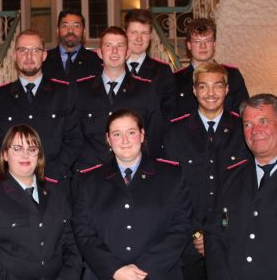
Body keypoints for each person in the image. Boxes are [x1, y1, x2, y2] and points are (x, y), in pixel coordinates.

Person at [72, 109, 192, 280]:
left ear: (142, 135)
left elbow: (182, 226)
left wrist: (143, 269)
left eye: (131, 132)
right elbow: (83, 231)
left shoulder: (171, 175)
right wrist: (115, 270)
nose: (125, 140)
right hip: (105, 275)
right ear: (108, 139)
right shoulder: (88, 180)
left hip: (158, 274)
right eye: (117, 134)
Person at [206, 94, 277, 280]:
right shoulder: (232, 177)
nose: (255, 130)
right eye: (247, 124)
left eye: (264, 121)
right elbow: (215, 235)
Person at [161, 62, 250, 280]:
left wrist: (217, 233)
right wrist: (197, 232)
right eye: (203, 86)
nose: (211, 93)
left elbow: (247, 187)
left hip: (231, 240)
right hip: (187, 244)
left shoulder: (244, 130)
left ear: (227, 89)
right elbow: (171, 189)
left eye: (217, 86)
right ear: (194, 90)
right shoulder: (175, 131)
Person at [0, 124, 82, 279]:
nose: (25, 155)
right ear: (5, 155)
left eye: (32, 149)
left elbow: (72, 247)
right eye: (17, 149)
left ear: (39, 156)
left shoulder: (56, 192)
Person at [0, 29, 82, 197]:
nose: (29, 56)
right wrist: (12, 174)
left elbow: (74, 139)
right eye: (23, 50)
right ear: (15, 56)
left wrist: (49, 174)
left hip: (55, 185)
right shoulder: (0, 96)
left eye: (35, 50)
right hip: (11, 187)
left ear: (44, 55)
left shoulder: (63, 93)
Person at [75, 26, 163, 170]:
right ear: (100, 53)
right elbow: (74, 137)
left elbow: (154, 135)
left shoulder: (145, 89)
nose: (114, 51)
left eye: (120, 46)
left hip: (133, 174)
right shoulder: (81, 90)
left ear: (127, 53)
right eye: (108, 46)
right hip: (91, 176)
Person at [174, 18, 249, 116]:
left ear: (214, 44)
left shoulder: (232, 75)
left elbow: (244, 112)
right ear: (189, 45)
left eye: (207, 41)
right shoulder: (175, 80)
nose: (203, 46)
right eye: (197, 41)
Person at [124, 8, 176, 125]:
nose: (139, 39)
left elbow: (169, 114)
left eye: (144, 33)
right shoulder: (113, 69)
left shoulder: (163, 72)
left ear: (150, 36)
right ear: (125, 33)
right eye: (134, 33)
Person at [42, 9, 102, 82]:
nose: (70, 30)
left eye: (76, 26)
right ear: (58, 30)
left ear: (84, 31)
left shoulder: (96, 61)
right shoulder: (43, 60)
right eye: (65, 25)